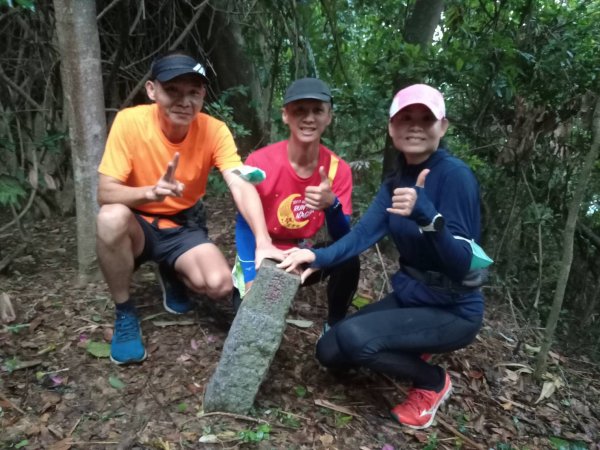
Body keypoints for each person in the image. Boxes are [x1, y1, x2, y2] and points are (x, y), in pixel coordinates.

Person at [278, 84, 490, 429]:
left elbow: (463, 263)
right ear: (392, 127)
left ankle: (432, 382)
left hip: (453, 308)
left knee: (354, 339)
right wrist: (315, 257)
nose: (415, 126)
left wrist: (429, 219)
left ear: (443, 127)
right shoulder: (395, 181)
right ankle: (410, 344)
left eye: (426, 118)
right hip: (411, 297)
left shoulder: (455, 176)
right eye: (405, 118)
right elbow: (362, 235)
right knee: (329, 352)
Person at [96, 51, 281, 365]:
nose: (184, 101)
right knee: (110, 217)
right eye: (173, 91)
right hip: (137, 223)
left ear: (203, 95)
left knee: (220, 284)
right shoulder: (130, 122)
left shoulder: (213, 130)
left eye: (193, 93)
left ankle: (170, 270)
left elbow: (239, 182)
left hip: (182, 224)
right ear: (153, 90)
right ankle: (125, 312)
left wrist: (263, 241)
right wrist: (149, 193)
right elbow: (105, 192)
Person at [233, 78, 360, 331]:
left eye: (317, 110)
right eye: (299, 110)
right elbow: (244, 222)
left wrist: (331, 205)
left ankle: (334, 326)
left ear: (329, 117)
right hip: (262, 252)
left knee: (349, 258)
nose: (309, 118)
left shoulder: (338, 170)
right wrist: (249, 276)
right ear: (285, 115)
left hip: (301, 253)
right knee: (247, 326)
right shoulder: (261, 160)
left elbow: (341, 237)